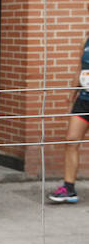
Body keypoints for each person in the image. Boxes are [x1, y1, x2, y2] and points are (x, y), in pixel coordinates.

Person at [47, 34, 89, 203]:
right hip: (84, 99)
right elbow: (80, 68)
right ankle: (69, 188)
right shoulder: (86, 39)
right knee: (71, 140)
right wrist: (72, 93)